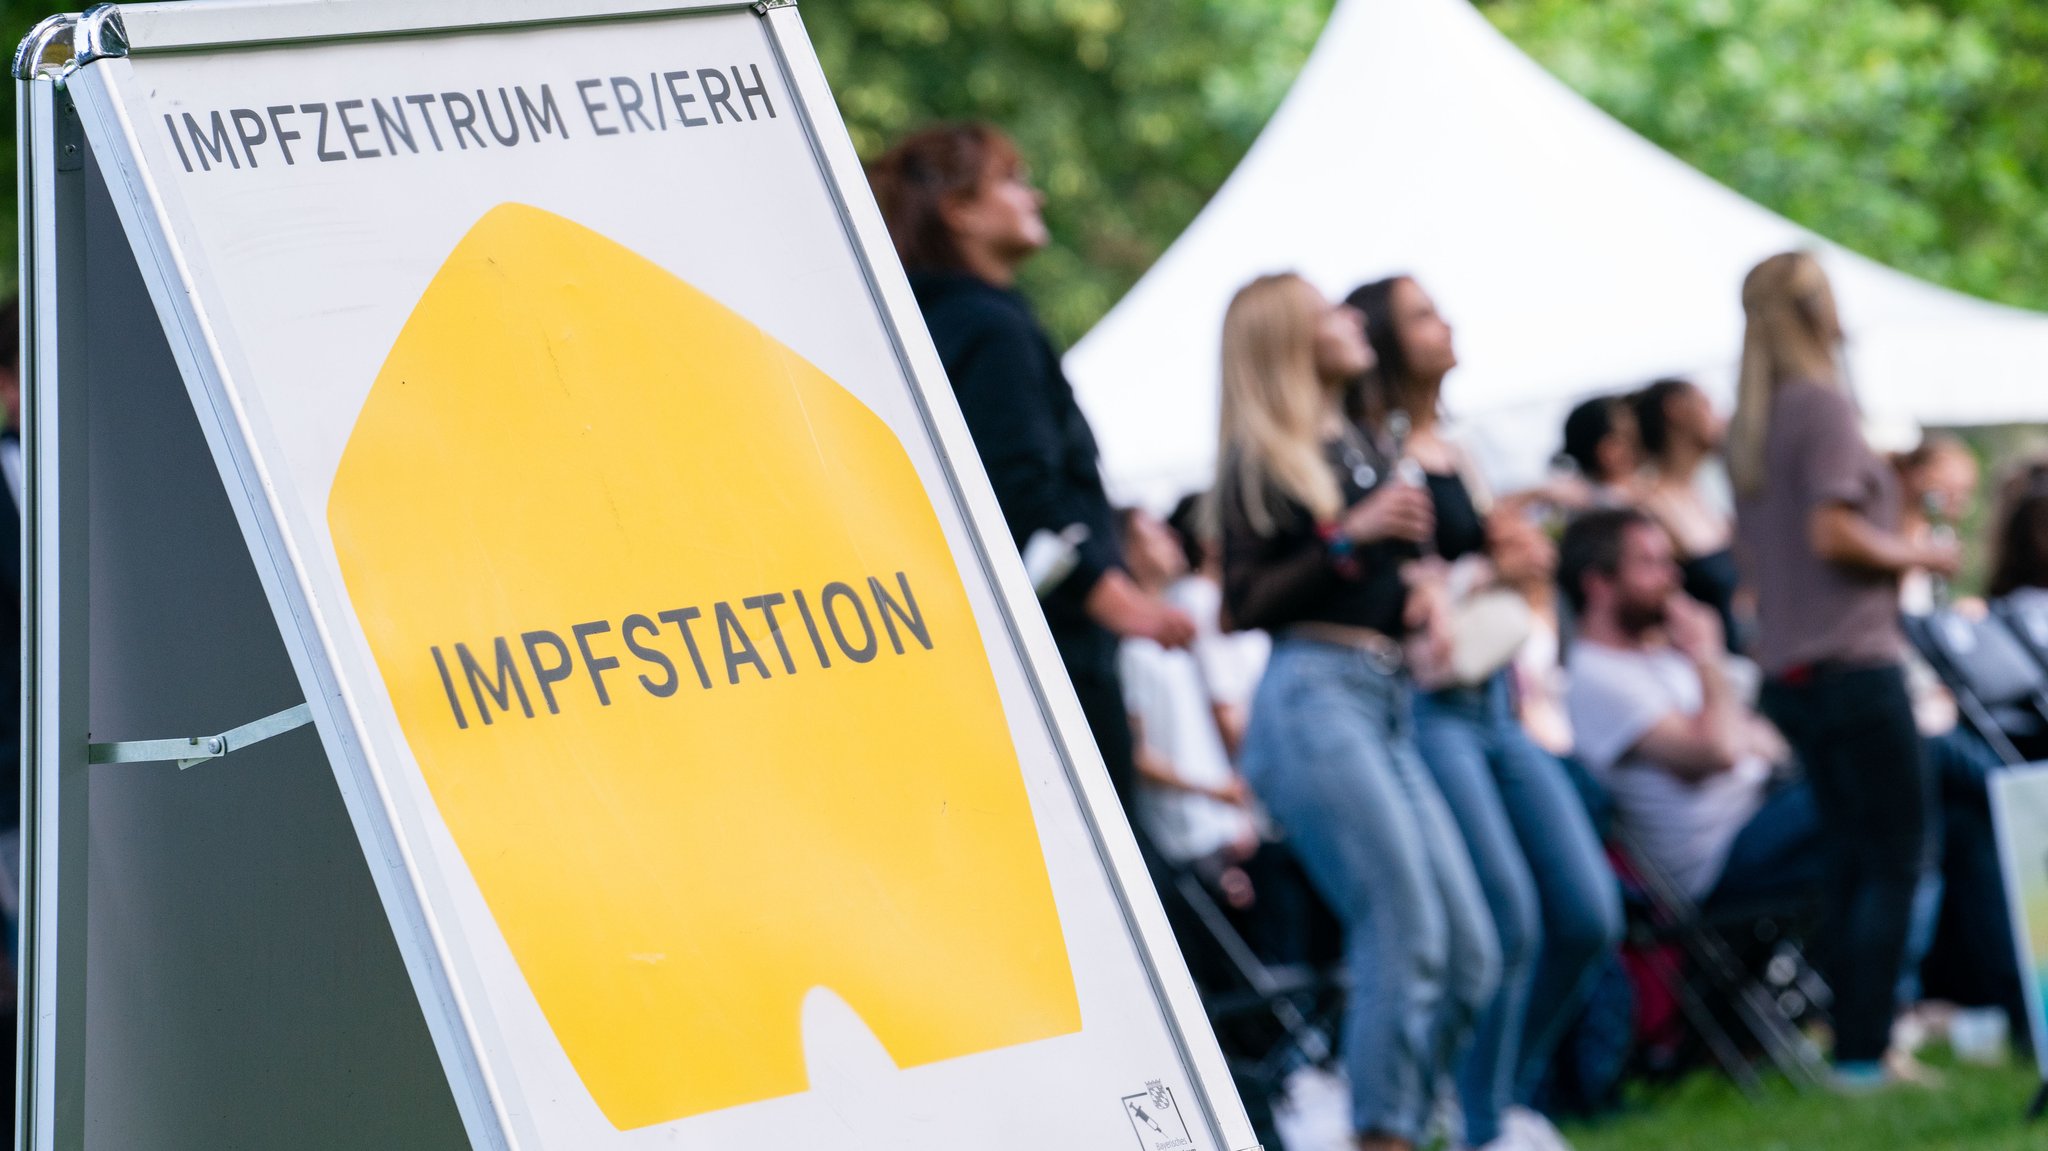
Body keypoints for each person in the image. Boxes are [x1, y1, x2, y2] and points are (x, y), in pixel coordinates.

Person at [1217, 272, 1497, 1151]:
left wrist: (1413, 595)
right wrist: (1351, 537)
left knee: (1470, 956)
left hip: (1383, 696)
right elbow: (1242, 601)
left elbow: (1391, 562)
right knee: (1406, 933)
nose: (1350, 318)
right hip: (1312, 697)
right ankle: (1383, 1133)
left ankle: (1400, 1119)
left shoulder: (1363, 442)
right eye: (1327, 311)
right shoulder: (1267, 451)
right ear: (1289, 338)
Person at [1350, 275, 1619, 1150]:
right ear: (1386, 341)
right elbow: (1411, 591)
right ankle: (1479, 1123)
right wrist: (1489, 572)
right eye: (1424, 315)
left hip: (1498, 702)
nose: (1447, 324)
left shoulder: (1455, 444)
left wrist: (1518, 546)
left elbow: (1491, 557)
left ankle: (1494, 1095)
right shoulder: (1373, 451)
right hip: (1429, 708)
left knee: (1585, 914)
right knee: (1507, 919)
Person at [870, 124, 1194, 811]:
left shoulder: (929, 324)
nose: (1034, 193)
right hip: (1061, 652)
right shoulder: (991, 328)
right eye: (1011, 179)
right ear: (959, 210)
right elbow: (1021, 492)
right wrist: (1122, 602)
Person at [1727, 250, 1954, 1089]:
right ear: (1816, 308)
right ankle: (1864, 1047)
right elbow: (1833, 533)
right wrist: (1917, 549)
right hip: (1854, 663)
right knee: (1899, 856)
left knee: (1853, 859)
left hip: (1793, 672)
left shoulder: (1754, 421)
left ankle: (1857, 1042)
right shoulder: (1820, 406)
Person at [1560, 508, 1821, 907]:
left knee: (1935, 818)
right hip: (1725, 860)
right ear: (1598, 584)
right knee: (1882, 774)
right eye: (1650, 564)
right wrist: (1706, 655)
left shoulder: (1658, 651)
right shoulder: (1596, 676)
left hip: (1765, 808)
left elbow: (1764, 739)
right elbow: (1720, 750)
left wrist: (1730, 724)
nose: (1672, 578)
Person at [1632, 378, 1741, 649]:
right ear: (1676, 409)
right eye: (1707, 406)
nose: (1719, 418)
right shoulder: (1649, 504)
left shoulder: (1711, 488)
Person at [1165, 491, 1270, 759]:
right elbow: (1225, 699)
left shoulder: (1223, 595)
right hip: (1251, 755)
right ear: (1207, 541)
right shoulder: (1198, 599)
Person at [1559, 395, 1642, 506]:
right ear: (1603, 450)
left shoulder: (1641, 486)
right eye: (1624, 437)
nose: (1634, 446)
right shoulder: (1598, 501)